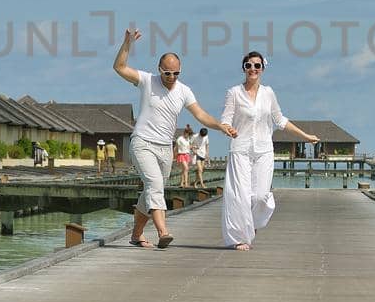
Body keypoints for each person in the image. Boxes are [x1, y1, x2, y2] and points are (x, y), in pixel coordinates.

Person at [113, 27, 234, 248]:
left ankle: (136, 234)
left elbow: (200, 114)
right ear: (159, 69)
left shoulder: (184, 91)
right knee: (155, 184)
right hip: (142, 143)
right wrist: (127, 44)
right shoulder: (148, 81)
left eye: (176, 73)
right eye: (167, 73)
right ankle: (163, 232)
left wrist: (220, 126)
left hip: (165, 149)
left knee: (152, 191)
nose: (171, 77)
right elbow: (119, 67)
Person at [220, 51, 321, 251]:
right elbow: (225, 118)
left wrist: (305, 136)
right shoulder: (234, 92)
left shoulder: (268, 93)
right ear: (243, 68)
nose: (253, 69)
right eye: (249, 65)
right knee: (239, 196)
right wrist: (227, 128)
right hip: (240, 150)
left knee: (260, 196)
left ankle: (253, 225)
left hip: (264, 150)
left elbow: (280, 120)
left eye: (257, 66)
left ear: (262, 69)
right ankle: (240, 237)